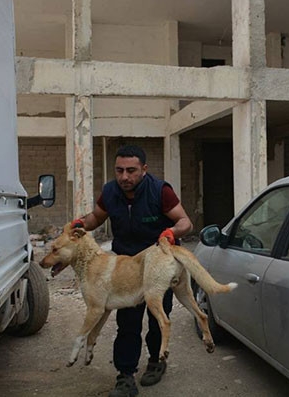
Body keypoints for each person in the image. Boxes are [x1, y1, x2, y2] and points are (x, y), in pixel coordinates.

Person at [70, 144, 193, 397]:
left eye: (131, 170)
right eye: (119, 170)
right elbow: (96, 217)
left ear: (144, 169)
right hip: (127, 266)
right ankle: (125, 375)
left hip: (158, 264)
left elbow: (185, 222)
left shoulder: (160, 191)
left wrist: (171, 232)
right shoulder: (110, 192)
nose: (124, 176)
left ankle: (156, 361)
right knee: (127, 323)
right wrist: (80, 223)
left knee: (157, 318)